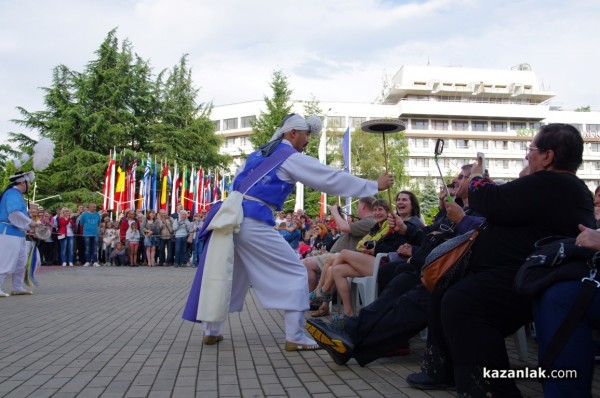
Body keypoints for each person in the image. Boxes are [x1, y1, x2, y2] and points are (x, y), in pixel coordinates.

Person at [406, 124, 595, 397]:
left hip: (528, 276)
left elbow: (490, 200)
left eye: (530, 150)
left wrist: (478, 175)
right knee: (445, 288)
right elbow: (505, 208)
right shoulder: (554, 187)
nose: (527, 157)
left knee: (464, 302)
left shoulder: (554, 183)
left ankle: (493, 389)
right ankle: (443, 371)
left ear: (547, 156)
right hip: (514, 271)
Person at [182, 113, 394, 351]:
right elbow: (328, 177)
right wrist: (373, 185)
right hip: (252, 219)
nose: (308, 141)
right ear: (293, 133)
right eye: (306, 135)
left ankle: (211, 330)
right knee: (295, 271)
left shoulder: (258, 154)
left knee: (227, 272)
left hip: (231, 216)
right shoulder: (289, 157)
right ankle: (296, 336)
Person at [303, 197, 376, 292]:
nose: (357, 209)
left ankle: (313, 297)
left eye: (358, 205)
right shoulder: (366, 221)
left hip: (342, 257)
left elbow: (344, 228)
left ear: (363, 207)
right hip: (338, 255)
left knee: (306, 263)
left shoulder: (369, 221)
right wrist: (340, 217)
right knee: (307, 261)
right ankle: (315, 297)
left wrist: (335, 212)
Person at [0, 170, 40, 297]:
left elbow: (18, 215)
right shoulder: (13, 194)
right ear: (23, 183)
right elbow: (14, 213)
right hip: (8, 232)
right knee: (6, 261)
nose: (30, 185)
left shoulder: (16, 195)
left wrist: (29, 225)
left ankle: (17, 287)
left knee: (21, 262)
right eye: (29, 182)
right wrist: (31, 223)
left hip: (17, 233)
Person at [79, 202, 102, 267]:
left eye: (95, 207)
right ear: (90, 207)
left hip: (95, 233)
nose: (95, 208)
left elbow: (98, 223)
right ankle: (87, 261)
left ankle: (94, 261)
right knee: (87, 248)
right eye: (93, 207)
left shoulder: (97, 214)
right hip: (87, 234)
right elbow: (81, 224)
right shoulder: (84, 214)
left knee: (95, 248)